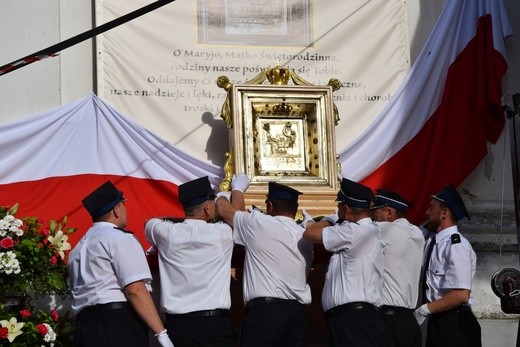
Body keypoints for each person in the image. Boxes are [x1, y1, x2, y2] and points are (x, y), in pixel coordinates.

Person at [144, 175, 249, 346]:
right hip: (213, 327)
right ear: (207, 209)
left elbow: (149, 222)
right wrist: (235, 191)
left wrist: (176, 223)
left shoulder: (166, 233)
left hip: (178, 328)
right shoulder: (222, 233)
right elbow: (237, 217)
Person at [68, 181, 173, 347]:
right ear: (116, 210)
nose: (125, 210)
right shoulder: (119, 238)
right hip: (116, 326)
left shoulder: (78, 248)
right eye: (123, 205)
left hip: (84, 329)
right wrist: (161, 334)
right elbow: (135, 290)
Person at [216, 181, 314, 347]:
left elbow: (225, 211)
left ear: (269, 206)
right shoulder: (305, 235)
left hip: (265, 315)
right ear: (295, 209)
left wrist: (228, 193)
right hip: (297, 316)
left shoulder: (259, 224)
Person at [303, 178, 384, 347]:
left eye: (340, 206)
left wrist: (329, 220)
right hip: (350, 319)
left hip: (354, 320)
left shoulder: (354, 231)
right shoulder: (364, 231)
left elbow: (310, 234)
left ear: (346, 210)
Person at [414, 184, 481, 346]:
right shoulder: (432, 240)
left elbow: (461, 294)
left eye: (431, 208)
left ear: (444, 213)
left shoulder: (456, 246)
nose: (426, 213)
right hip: (438, 321)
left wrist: (426, 309)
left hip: (455, 324)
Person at [371, 189, 424, 347]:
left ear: (389, 213)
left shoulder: (384, 230)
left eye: (375, 211)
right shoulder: (417, 233)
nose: (372, 217)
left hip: (388, 321)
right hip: (409, 321)